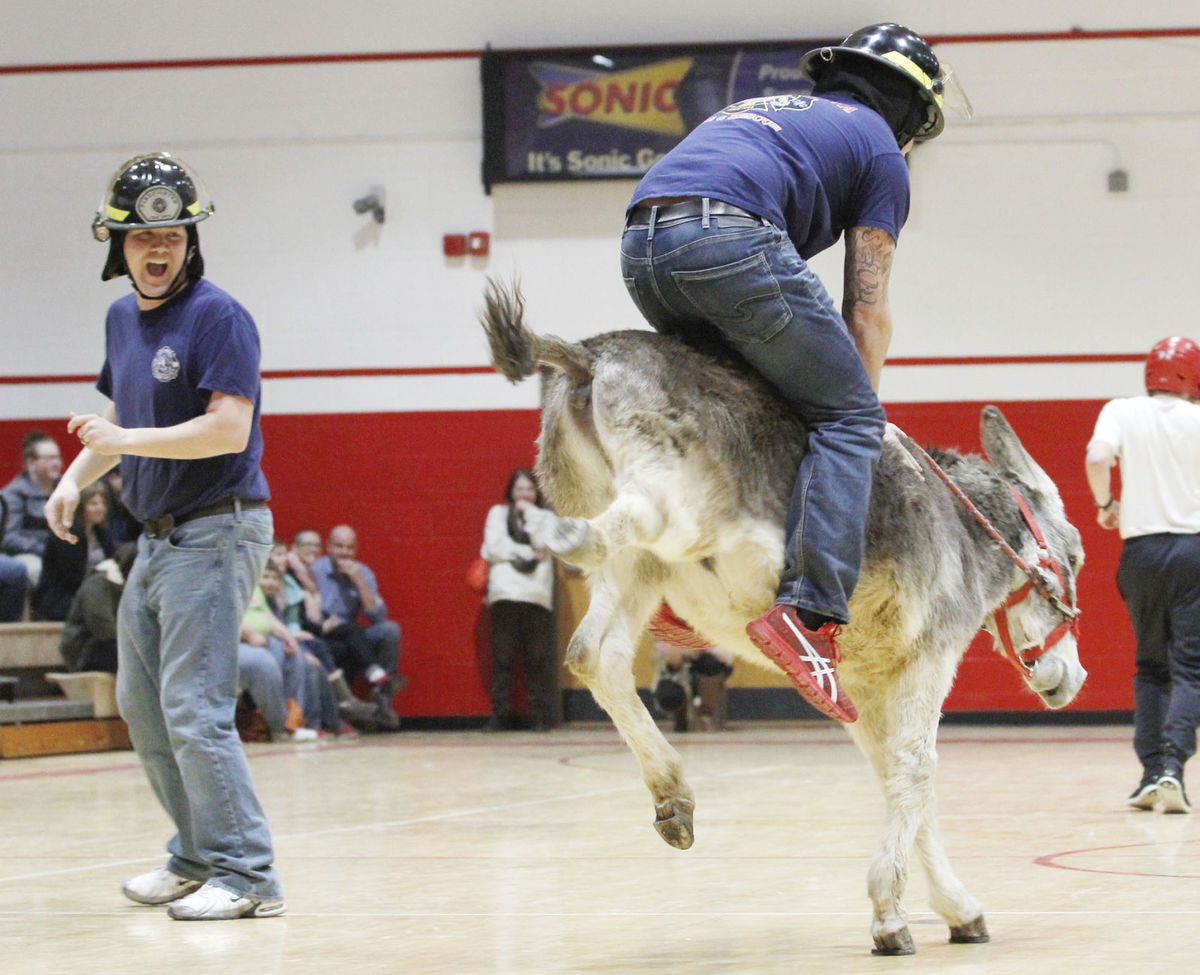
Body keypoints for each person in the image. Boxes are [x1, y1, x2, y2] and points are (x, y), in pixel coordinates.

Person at [619, 24, 969, 724]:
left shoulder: (771, 112)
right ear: (909, 110)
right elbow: (867, 312)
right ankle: (808, 616)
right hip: (727, 239)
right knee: (846, 418)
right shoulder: (878, 148)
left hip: (641, 246)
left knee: (746, 407)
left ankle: (697, 589)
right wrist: (862, 419)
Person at [43, 151, 286, 920]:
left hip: (219, 529)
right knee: (142, 703)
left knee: (194, 705)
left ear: (191, 241)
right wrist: (70, 480)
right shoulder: (121, 318)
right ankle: (194, 857)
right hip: (155, 540)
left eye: (174, 237)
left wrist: (124, 447)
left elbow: (226, 429)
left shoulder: (220, 317)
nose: (158, 250)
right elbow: (116, 422)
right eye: (144, 240)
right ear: (116, 245)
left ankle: (249, 876)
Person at [1086, 336, 1200, 815]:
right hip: (1194, 550)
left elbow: (1096, 457)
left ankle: (1150, 773)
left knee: (1150, 666)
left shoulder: (1122, 410)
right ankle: (1175, 767)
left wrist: (1105, 504)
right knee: (1190, 667)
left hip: (1142, 551)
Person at [481, 468, 559, 731]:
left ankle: (538, 715)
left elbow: (544, 544)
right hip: (505, 594)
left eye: (529, 489)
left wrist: (531, 516)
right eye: (519, 489)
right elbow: (494, 548)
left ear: (537, 493)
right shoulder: (498, 514)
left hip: (536, 596)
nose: (524, 494)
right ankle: (500, 714)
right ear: (510, 492)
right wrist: (529, 551)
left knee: (535, 659)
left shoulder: (546, 518)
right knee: (502, 658)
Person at [310, 524, 403, 728]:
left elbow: (378, 616)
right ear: (328, 546)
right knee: (341, 646)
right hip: (324, 633)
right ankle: (339, 711)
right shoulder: (315, 570)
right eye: (339, 546)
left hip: (354, 634)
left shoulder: (363, 572)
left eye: (349, 547)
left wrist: (358, 581)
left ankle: (383, 699)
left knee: (389, 630)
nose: (344, 552)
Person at [32, 481, 115, 621]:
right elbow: (71, 580)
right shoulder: (67, 535)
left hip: (93, 596)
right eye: (94, 504)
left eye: (103, 504)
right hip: (62, 600)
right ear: (80, 507)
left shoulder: (101, 534)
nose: (100, 508)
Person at [58, 541, 137, 673]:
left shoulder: (131, 585)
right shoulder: (98, 584)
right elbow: (104, 629)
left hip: (111, 644)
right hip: (85, 651)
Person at [2, 431, 63, 586]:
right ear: (31, 463)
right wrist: (45, 550)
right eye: (49, 458)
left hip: (60, 552)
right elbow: (9, 538)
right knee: (36, 569)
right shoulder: (13, 494)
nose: (56, 463)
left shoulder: (65, 489)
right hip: (28, 554)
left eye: (57, 457)